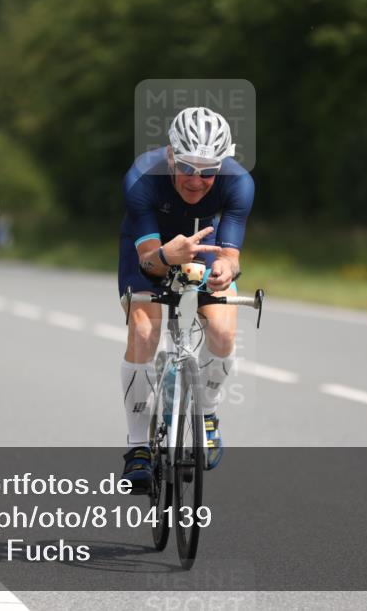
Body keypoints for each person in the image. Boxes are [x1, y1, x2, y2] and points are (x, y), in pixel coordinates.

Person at [118, 107, 254, 491]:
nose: (197, 181)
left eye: (208, 170)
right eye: (188, 168)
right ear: (171, 155)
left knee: (223, 332)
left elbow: (230, 255)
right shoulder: (142, 178)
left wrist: (226, 269)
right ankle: (138, 447)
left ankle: (207, 415)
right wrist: (166, 256)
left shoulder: (239, 182)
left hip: (204, 244)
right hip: (151, 248)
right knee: (144, 332)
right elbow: (147, 260)